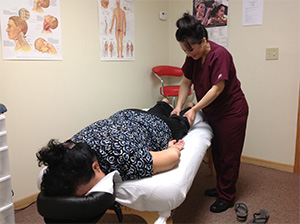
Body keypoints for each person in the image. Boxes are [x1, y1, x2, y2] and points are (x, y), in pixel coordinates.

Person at [37, 99, 193, 197]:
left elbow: (172, 158)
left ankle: (189, 108)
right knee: (158, 109)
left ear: (96, 167)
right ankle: (164, 104)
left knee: (182, 121)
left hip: (157, 127)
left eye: (85, 194)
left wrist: (172, 148)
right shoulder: (71, 146)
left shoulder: (125, 158)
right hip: (128, 115)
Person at [172, 13, 248, 213]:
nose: (189, 53)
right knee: (217, 151)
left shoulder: (220, 54)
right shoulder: (193, 57)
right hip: (213, 112)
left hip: (232, 112)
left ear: (204, 40)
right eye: (184, 50)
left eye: (191, 48)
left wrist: (195, 108)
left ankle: (227, 196)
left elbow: (217, 88)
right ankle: (221, 187)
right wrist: (179, 106)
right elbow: (186, 81)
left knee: (228, 155)